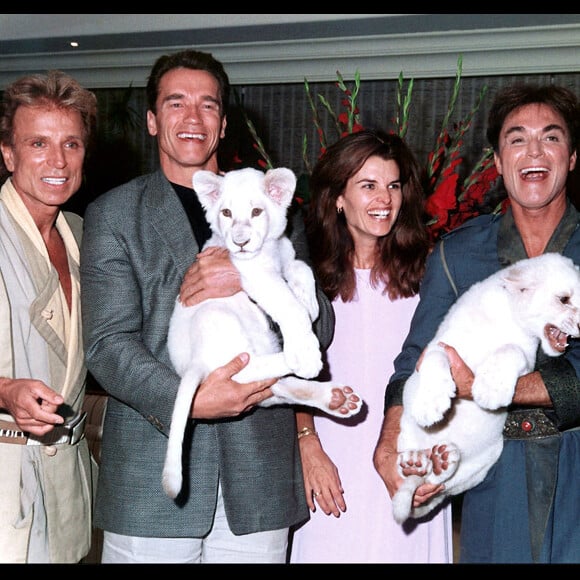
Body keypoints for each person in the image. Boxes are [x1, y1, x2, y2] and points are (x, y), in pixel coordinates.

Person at [80, 49, 334, 564]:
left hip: (257, 482)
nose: (193, 118)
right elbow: (107, 346)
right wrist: (189, 401)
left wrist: (247, 279)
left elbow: (320, 325)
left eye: (208, 106)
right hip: (152, 484)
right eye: (176, 104)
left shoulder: (269, 204)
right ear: (152, 121)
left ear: (222, 124)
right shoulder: (113, 214)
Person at [373, 83, 580, 564]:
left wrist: (490, 385)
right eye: (516, 139)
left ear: (572, 157)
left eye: (551, 138)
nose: (534, 151)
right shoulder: (459, 253)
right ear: (497, 159)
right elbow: (415, 357)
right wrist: (389, 443)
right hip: (496, 478)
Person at [289, 129, 454, 563]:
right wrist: (306, 443)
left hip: (409, 458)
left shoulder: (431, 278)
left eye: (393, 185)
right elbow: (287, 373)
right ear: (338, 197)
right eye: (368, 185)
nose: (384, 198)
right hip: (330, 463)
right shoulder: (306, 280)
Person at [0, 70, 98, 563]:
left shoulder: (83, 234)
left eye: (71, 143)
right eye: (38, 143)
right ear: (8, 153)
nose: (57, 161)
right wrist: (4, 389)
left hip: (69, 489)